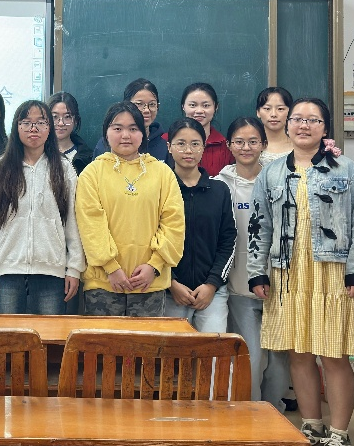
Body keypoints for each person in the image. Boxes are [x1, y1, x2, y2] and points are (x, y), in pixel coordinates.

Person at [248, 97, 354, 446]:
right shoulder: (272, 172)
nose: (303, 125)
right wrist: (257, 272)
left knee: (334, 354)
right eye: (297, 119)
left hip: (334, 274)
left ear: (325, 128)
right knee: (299, 353)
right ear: (288, 125)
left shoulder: (346, 169)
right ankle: (312, 426)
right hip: (288, 275)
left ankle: (339, 434)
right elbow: (259, 225)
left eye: (313, 120)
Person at [76, 101, 185, 316]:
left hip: (149, 284)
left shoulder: (162, 173)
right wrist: (111, 267)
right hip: (103, 284)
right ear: (106, 133)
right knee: (101, 340)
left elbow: (174, 223)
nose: (125, 135)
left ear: (143, 133)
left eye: (133, 129)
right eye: (117, 128)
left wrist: (154, 265)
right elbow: (90, 225)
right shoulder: (92, 173)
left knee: (146, 340)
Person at [0, 100, 85, 314]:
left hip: (51, 270)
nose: (33, 128)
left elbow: (73, 221)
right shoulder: (1, 167)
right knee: (8, 333)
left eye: (41, 123)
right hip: (7, 269)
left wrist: (74, 267)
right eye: (26, 122)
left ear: (49, 128)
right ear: (16, 127)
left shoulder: (64, 168)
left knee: (49, 333)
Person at [214, 116, 290, 411]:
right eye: (239, 141)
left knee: (280, 359)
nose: (246, 147)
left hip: (280, 283)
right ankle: (253, 416)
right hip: (240, 286)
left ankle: (274, 413)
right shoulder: (219, 185)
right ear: (229, 145)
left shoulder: (280, 180)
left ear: (263, 144)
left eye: (253, 141)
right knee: (252, 357)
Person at [163, 118, 237, 331]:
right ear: (169, 147)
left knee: (213, 351)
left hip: (212, 292)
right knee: (172, 352)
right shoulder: (160, 188)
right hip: (170, 292)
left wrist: (212, 284)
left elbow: (228, 241)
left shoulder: (219, 190)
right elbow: (149, 239)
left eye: (195, 144)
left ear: (204, 147)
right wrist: (171, 283)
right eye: (181, 143)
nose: (188, 150)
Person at [166, 82, 233, 176]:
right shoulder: (164, 141)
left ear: (216, 107)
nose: (199, 111)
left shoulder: (226, 147)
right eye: (193, 105)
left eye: (206, 105)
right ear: (183, 106)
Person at [92, 78, 168, 161]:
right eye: (139, 104)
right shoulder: (107, 143)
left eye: (152, 104)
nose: (146, 110)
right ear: (126, 105)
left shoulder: (165, 143)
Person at [47, 91, 93, 174]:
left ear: (75, 120)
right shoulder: (36, 153)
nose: (61, 123)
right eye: (54, 117)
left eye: (67, 117)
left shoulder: (87, 159)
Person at [257, 86, 294, 164]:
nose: (273, 114)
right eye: (267, 109)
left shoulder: (299, 144)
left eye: (280, 109)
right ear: (258, 112)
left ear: (291, 112)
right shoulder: (250, 145)